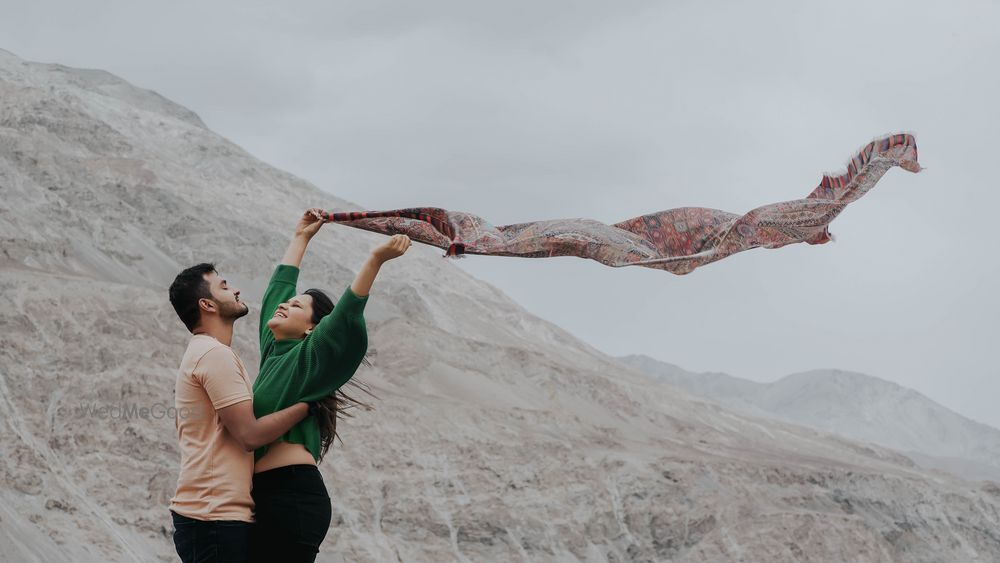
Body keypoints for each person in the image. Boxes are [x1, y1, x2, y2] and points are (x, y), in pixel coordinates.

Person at [250, 208, 410, 563]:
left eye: (294, 306)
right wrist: (301, 238)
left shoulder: (310, 358)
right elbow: (279, 287)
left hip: (292, 497)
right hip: (261, 496)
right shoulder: (272, 354)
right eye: (286, 303)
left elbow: (344, 317)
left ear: (311, 328)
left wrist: (375, 260)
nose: (283, 305)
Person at [168, 263, 312, 563]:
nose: (234, 289)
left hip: (211, 515)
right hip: (213, 516)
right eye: (223, 286)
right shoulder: (213, 354)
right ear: (206, 305)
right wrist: (307, 404)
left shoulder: (207, 352)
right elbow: (249, 435)